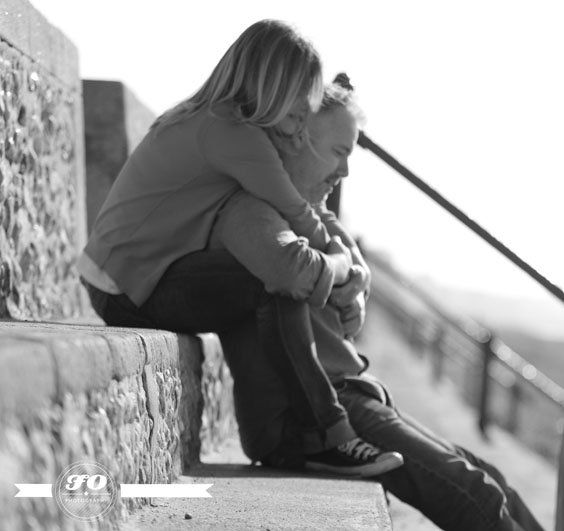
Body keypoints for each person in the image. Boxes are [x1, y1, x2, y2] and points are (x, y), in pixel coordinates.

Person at [209, 77, 547, 531]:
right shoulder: (251, 212)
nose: (345, 171)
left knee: (491, 478)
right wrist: (347, 271)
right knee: (475, 495)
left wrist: (354, 271)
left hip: (355, 396)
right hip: (310, 414)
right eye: (338, 152)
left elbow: (350, 276)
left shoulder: (310, 218)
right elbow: (296, 269)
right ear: (294, 139)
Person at [77, 19, 402, 477]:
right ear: (271, 87)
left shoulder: (209, 116)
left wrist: (345, 264)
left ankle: (292, 432)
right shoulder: (235, 136)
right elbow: (297, 211)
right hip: (128, 290)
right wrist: (344, 264)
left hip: (120, 276)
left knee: (268, 276)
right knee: (272, 280)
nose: (299, 127)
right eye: (297, 111)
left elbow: (303, 210)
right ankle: (329, 434)